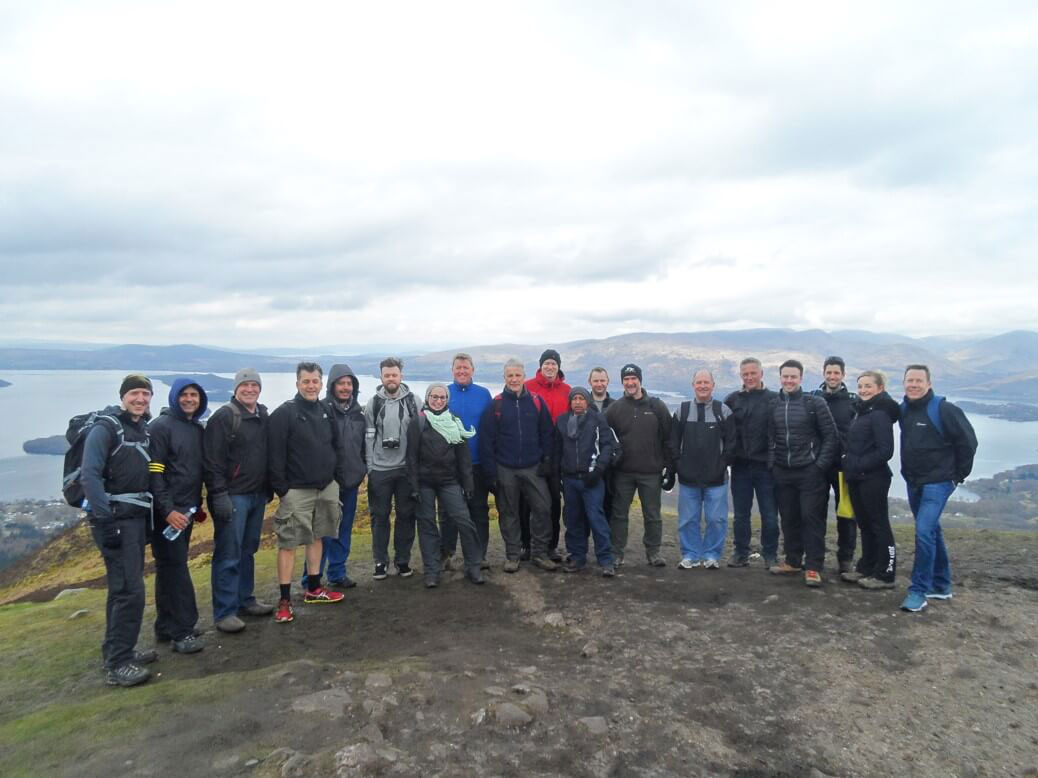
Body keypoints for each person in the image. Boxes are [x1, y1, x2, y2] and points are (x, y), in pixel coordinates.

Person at [81, 374, 156, 687]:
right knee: (130, 592)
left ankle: (119, 650)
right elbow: (90, 476)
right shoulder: (105, 428)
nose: (140, 399)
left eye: (146, 394)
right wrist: (104, 521)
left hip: (134, 520)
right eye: (135, 393)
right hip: (116, 520)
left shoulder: (139, 428)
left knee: (122, 588)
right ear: (123, 396)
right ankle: (118, 664)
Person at [268, 362, 347, 623]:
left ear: (321, 383)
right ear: (297, 383)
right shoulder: (284, 414)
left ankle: (314, 588)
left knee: (318, 536)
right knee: (289, 543)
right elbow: (275, 455)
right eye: (306, 382)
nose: (311, 386)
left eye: (315, 381)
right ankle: (284, 600)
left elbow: (335, 445)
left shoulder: (326, 409)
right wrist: (283, 490)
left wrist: (333, 478)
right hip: (296, 490)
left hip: (325, 487)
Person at [898, 365, 977, 612]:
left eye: (918, 380)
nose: (913, 384)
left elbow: (969, 442)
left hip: (939, 482)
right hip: (914, 481)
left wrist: (957, 476)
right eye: (909, 380)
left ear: (928, 383)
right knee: (932, 531)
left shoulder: (944, 409)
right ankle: (941, 585)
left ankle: (918, 590)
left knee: (923, 532)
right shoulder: (904, 410)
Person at [204, 368, 274, 634]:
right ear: (236, 389)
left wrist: (268, 487)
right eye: (245, 385)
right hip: (233, 496)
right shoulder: (224, 417)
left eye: (254, 385)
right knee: (228, 553)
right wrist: (218, 494)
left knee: (248, 551)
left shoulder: (262, 415)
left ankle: (245, 599)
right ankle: (225, 611)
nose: (250, 389)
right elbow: (212, 461)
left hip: (257, 494)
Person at [479, 358, 556, 572]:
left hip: (533, 466)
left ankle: (539, 552)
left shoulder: (536, 401)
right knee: (508, 512)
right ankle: (513, 555)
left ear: (524, 377)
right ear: (504, 378)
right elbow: (487, 441)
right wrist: (491, 473)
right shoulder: (496, 404)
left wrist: (547, 460)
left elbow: (547, 433)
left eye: (517, 375)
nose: (514, 379)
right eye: (510, 375)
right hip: (505, 467)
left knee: (543, 508)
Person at [147, 378, 207, 655]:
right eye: (183, 394)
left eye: (194, 395)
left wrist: (196, 506)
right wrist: (168, 510)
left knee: (170, 568)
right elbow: (155, 474)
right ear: (174, 397)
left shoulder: (195, 428)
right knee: (177, 570)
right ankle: (183, 632)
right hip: (168, 514)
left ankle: (166, 625)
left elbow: (191, 471)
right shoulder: (161, 428)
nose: (189, 399)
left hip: (186, 510)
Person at [767, 359, 839, 587]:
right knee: (789, 518)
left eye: (793, 377)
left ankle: (814, 566)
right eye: (785, 376)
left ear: (801, 378)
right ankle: (792, 561)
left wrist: (819, 466)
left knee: (811, 519)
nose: (789, 380)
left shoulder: (814, 403)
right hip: (783, 471)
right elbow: (770, 438)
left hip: (809, 472)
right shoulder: (773, 404)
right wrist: (773, 464)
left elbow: (831, 437)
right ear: (780, 378)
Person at [406, 383, 485, 587]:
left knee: (464, 522)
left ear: (447, 400)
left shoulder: (454, 421)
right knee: (427, 525)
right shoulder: (418, 422)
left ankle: (473, 567)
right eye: (434, 396)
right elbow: (411, 457)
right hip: (424, 482)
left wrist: (468, 484)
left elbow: (463, 457)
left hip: (449, 480)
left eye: (442, 397)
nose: (438, 400)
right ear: (427, 397)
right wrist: (413, 486)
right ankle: (432, 571)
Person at [301, 364, 367, 589]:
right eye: (341, 383)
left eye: (349, 383)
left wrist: (362, 469)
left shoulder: (358, 413)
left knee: (344, 530)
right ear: (332, 385)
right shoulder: (322, 411)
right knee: (323, 532)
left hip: (351, 481)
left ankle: (337, 573)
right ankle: (311, 577)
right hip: (327, 483)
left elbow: (361, 448)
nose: (345, 387)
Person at [605, 363, 675, 567]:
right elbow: (604, 435)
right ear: (622, 382)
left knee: (652, 515)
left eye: (633, 378)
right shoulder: (615, 409)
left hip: (651, 472)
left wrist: (670, 469)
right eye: (626, 379)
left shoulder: (657, 406)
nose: (630, 383)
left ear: (640, 380)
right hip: (623, 473)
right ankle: (616, 553)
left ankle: (653, 552)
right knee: (619, 515)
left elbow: (668, 438)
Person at [671, 370, 736, 569]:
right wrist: (679, 465)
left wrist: (722, 465)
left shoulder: (722, 411)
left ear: (713, 385)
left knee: (716, 519)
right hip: (688, 477)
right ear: (693, 385)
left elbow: (732, 443)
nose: (702, 386)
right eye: (698, 382)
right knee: (688, 519)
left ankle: (712, 555)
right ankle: (690, 554)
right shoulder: (682, 410)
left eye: (706, 382)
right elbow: (673, 442)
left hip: (716, 478)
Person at [841, 370, 899, 590]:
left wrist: (857, 464)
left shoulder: (880, 414)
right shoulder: (862, 411)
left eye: (868, 386)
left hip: (874, 478)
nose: (864, 390)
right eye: (861, 386)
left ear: (880, 388)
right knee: (865, 525)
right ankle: (867, 567)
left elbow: (886, 451)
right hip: (856, 477)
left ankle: (885, 573)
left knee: (879, 524)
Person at [364, 357, 421, 580]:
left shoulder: (413, 401)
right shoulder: (373, 403)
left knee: (406, 516)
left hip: (406, 469)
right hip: (380, 470)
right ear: (381, 377)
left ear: (401, 376)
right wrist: (370, 467)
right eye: (386, 375)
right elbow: (369, 436)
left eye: (394, 375)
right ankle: (380, 561)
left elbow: (420, 435)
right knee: (380, 517)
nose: (390, 378)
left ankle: (403, 560)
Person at [554, 387, 616, 576]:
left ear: (587, 401)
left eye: (582, 398)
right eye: (575, 399)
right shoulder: (562, 421)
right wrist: (557, 475)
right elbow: (557, 449)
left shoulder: (597, 420)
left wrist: (598, 470)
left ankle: (606, 560)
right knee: (573, 520)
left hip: (592, 479)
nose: (578, 402)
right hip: (570, 479)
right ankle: (577, 557)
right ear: (570, 402)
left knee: (596, 519)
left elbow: (608, 446)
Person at [725, 358, 779, 567]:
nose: (749, 377)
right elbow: (725, 432)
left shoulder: (773, 399)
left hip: (766, 466)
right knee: (740, 515)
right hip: (740, 467)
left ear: (761, 374)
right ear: (741, 376)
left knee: (770, 515)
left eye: (752, 373)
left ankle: (771, 555)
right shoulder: (732, 400)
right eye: (745, 374)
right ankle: (740, 553)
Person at [445, 353, 494, 570]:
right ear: (452, 370)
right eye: (458, 368)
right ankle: (446, 554)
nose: (462, 371)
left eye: (466, 368)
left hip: (477, 463)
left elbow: (493, 427)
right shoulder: (444, 393)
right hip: (449, 464)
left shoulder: (483, 394)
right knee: (449, 513)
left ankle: (478, 554)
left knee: (478, 511)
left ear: (473, 370)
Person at [811, 356, 859, 574]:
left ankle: (845, 559)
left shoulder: (853, 401)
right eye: (828, 372)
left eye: (836, 373)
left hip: (843, 466)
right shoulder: (813, 398)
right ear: (823, 374)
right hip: (819, 466)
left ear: (843, 375)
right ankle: (816, 559)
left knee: (846, 514)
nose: (832, 376)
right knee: (816, 514)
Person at [523, 348, 571, 561]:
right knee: (526, 502)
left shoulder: (567, 390)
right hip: (531, 454)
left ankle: (550, 546)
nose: (550, 367)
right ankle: (526, 545)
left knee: (552, 501)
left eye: (553, 363)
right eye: (546, 364)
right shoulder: (528, 387)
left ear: (559, 366)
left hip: (558, 455)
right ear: (540, 366)